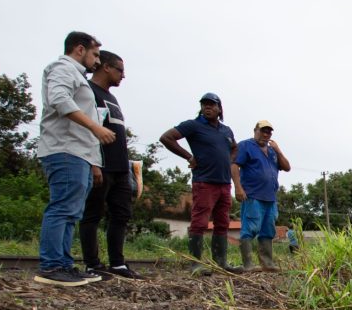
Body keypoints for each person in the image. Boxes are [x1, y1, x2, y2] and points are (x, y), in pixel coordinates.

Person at [34, 31, 116, 287]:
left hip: (78, 153)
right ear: (80, 50)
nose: (97, 61)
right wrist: (95, 127)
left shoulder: (77, 76)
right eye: (95, 54)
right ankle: (51, 266)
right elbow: (59, 99)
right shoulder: (63, 68)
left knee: (72, 212)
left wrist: (93, 160)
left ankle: (64, 265)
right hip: (65, 149)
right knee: (62, 208)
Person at [78, 51, 144, 280]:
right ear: (105, 67)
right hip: (100, 164)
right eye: (120, 70)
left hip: (120, 167)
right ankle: (92, 264)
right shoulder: (88, 92)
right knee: (92, 214)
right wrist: (93, 164)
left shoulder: (111, 97)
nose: (123, 76)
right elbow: (86, 130)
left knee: (121, 214)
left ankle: (117, 263)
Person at [160, 93, 238, 273]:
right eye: (204, 104)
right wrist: (189, 157)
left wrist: (230, 160)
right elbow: (166, 137)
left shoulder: (226, 130)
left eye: (212, 104)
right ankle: (195, 264)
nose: (207, 107)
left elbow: (235, 148)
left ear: (219, 109)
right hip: (204, 181)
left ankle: (221, 263)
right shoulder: (193, 125)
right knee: (200, 222)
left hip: (224, 183)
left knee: (223, 222)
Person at [231, 120, 291, 271]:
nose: (265, 134)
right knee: (250, 228)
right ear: (255, 131)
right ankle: (248, 264)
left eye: (268, 132)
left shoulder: (272, 151)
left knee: (268, 230)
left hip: (270, 197)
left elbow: (287, 167)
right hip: (252, 195)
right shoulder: (245, 145)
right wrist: (238, 187)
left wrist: (278, 150)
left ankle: (267, 264)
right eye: (262, 131)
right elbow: (234, 165)